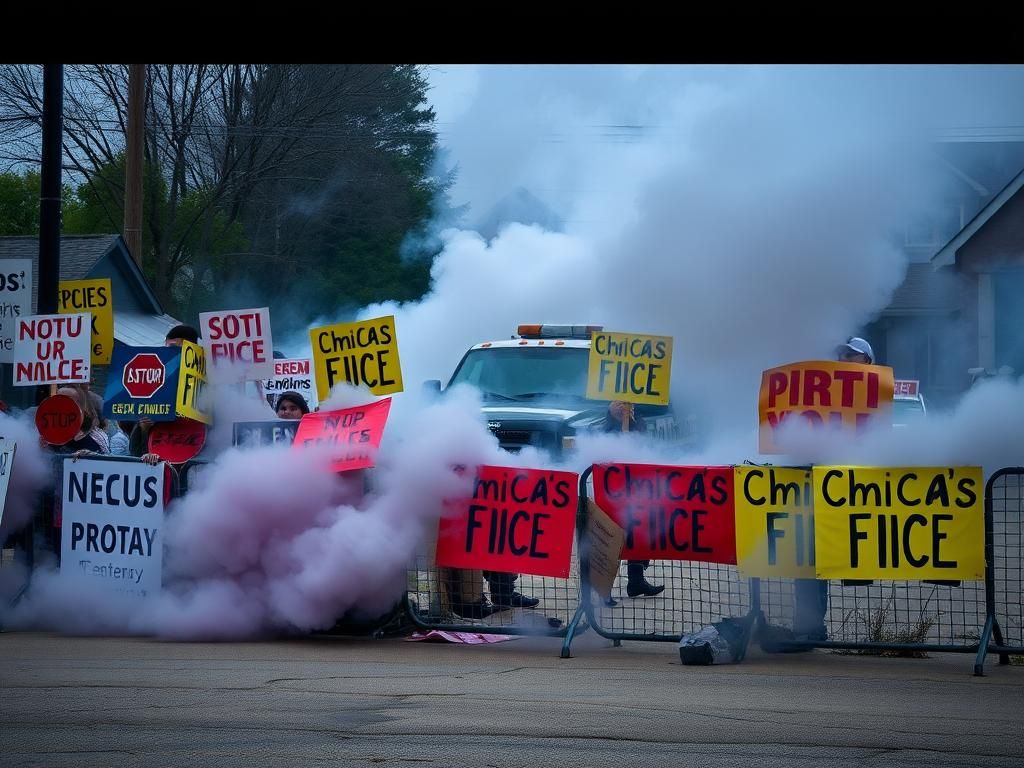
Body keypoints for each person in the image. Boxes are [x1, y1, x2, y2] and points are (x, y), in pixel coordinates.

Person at [791, 336, 875, 641]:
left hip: (860, 490)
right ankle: (808, 626)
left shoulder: (879, 394)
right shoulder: (819, 396)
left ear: (868, 362)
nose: (846, 361)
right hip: (821, 484)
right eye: (842, 356)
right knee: (808, 555)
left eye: (853, 356)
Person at [601, 400, 665, 605]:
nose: (626, 409)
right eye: (620, 406)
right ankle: (603, 590)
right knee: (609, 538)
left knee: (638, 532)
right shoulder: (605, 427)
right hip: (611, 493)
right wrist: (612, 416)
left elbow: (644, 444)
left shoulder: (639, 423)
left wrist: (633, 421)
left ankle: (636, 581)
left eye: (630, 407)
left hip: (634, 490)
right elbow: (599, 443)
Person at [130, 324, 202, 464]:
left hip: (192, 460)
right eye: (166, 348)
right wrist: (144, 428)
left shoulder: (206, 386)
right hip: (156, 461)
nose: (168, 354)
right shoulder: (153, 384)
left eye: (175, 349)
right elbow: (135, 448)